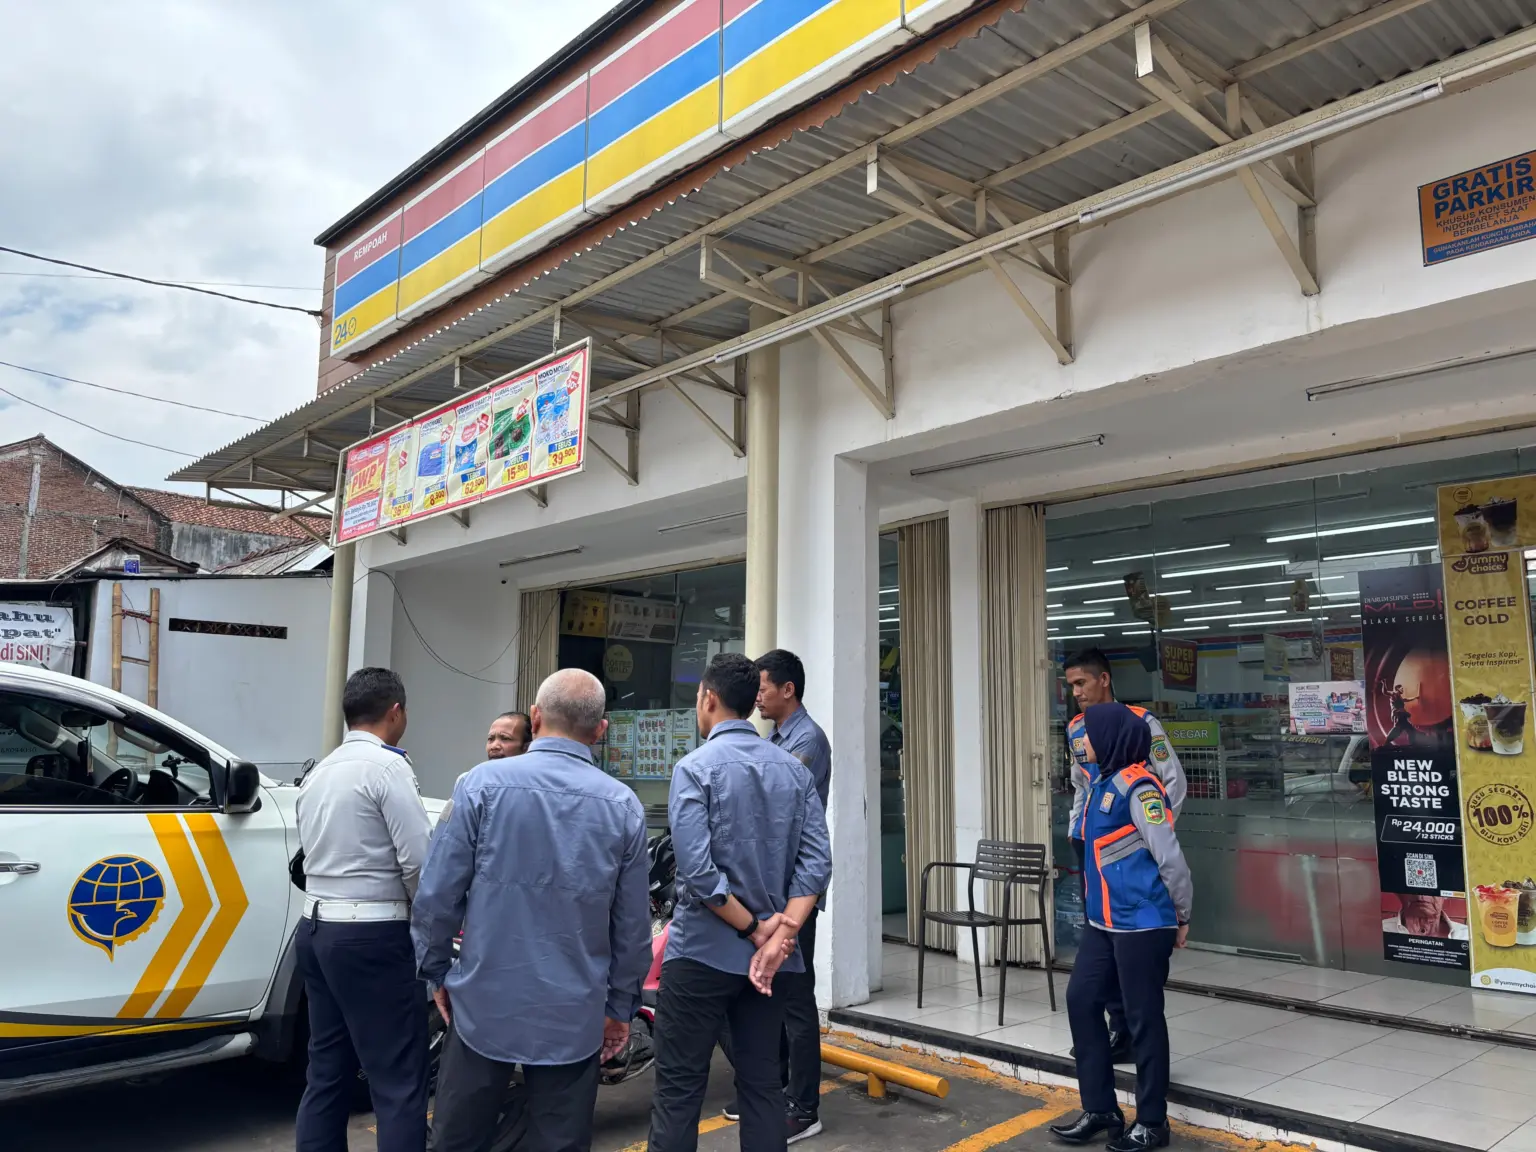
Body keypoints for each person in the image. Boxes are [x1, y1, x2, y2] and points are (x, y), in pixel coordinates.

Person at [414, 669, 651, 1152]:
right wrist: (620, 1007)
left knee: (457, 1137)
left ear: (537, 718)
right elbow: (632, 928)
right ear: (600, 730)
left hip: (482, 1002)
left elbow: (437, 894)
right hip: (575, 1012)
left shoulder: (480, 785)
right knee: (560, 1140)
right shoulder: (623, 806)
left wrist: (436, 969)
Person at [648, 653, 832, 1152]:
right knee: (762, 1086)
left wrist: (755, 930)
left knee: (680, 1089)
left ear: (708, 698)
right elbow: (816, 864)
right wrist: (781, 937)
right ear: (753, 701)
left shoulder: (694, 768)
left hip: (703, 955)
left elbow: (699, 874)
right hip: (771, 965)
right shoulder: (793, 772)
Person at [294, 667, 433, 1152]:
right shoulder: (388, 768)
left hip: (315, 928)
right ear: (396, 712)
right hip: (372, 935)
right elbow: (420, 862)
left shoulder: (319, 772)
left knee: (326, 1071)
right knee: (397, 1081)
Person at [1052, 702, 1192, 1152]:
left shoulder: (1140, 788)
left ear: (1111, 737)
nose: (1081, 741)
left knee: (1143, 1017)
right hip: (1102, 923)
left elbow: (1170, 858)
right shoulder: (1098, 783)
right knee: (1081, 1000)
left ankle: (1153, 1122)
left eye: (1088, 733)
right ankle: (1101, 1108)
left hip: (1141, 924)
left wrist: (1182, 914)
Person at [720, 649, 831, 1141]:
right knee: (768, 993)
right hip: (770, 889)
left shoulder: (806, 741)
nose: (757, 696)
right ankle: (774, 1088)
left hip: (795, 895)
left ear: (788, 690)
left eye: (763, 687)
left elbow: (774, 808)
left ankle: (804, 1106)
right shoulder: (775, 738)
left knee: (795, 1001)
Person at [1063, 649, 1185, 1064]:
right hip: (1089, 846)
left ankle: (1140, 1031)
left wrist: (1151, 836)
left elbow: (1173, 782)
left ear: (1105, 680)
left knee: (1136, 942)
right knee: (1101, 937)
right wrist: (1075, 826)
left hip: (1135, 849)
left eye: (1082, 683)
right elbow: (1081, 784)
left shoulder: (1141, 722)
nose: (1076, 692)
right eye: (1072, 686)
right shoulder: (1077, 729)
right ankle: (1119, 1030)